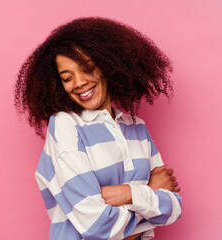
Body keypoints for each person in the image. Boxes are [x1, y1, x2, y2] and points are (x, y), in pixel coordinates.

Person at [14, 17, 182, 240]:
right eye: (67, 77)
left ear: (109, 65)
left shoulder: (136, 127)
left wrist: (124, 194)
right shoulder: (66, 125)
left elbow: (174, 208)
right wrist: (149, 194)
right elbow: (96, 226)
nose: (79, 82)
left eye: (87, 69)